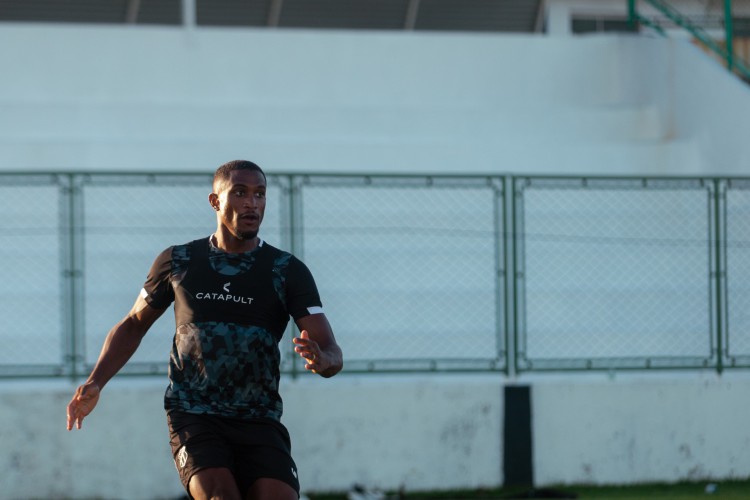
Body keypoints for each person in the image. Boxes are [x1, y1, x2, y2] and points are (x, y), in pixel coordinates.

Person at [67, 160, 343, 500]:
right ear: (215, 201)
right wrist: (96, 382)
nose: (252, 203)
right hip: (194, 413)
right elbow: (133, 324)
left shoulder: (286, 270)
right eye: (240, 193)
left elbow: (331, 350)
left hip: (259, 418)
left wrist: (323, 360)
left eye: (260, 194)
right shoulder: (179, 261)